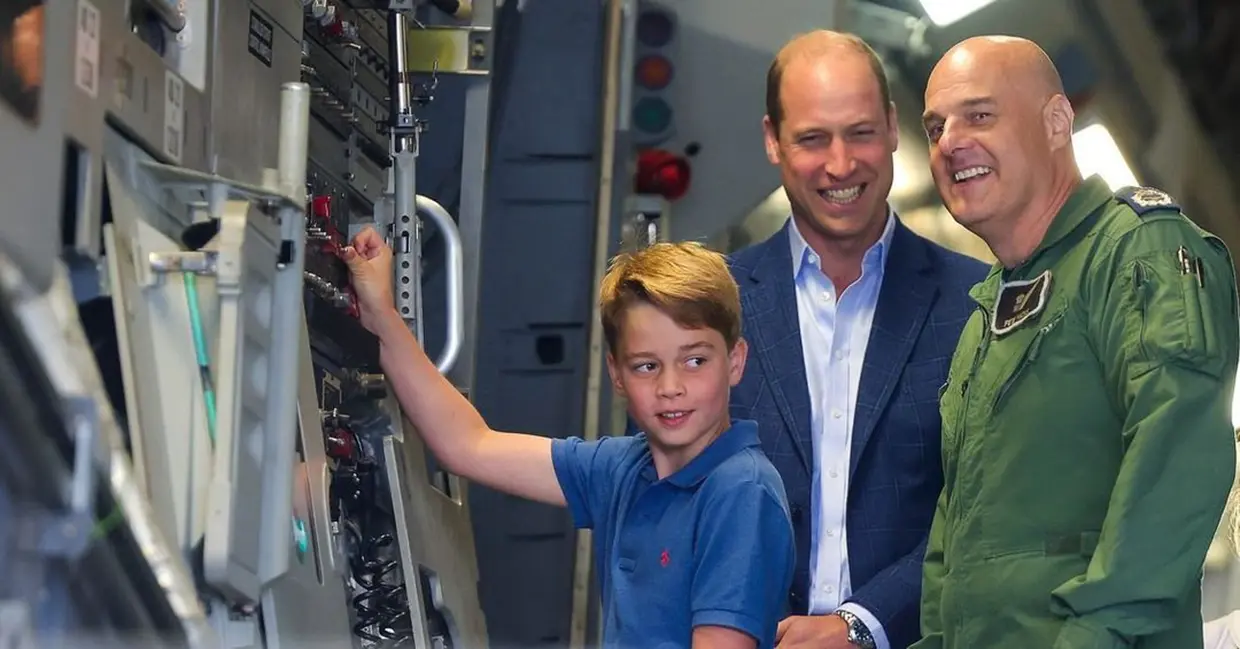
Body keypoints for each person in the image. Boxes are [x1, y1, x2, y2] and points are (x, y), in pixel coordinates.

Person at [914, 35, 1239, 649]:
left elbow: (1177, 457)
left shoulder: (1136, 253)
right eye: (934, 128)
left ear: (1057, 122)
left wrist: (1098, 634)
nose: (951, 142)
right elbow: (954, 540)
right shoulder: (989, 310)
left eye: (979, 115)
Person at [343, 229, 797, 648]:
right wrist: (382, 315)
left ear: (735, 361)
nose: (670, 387)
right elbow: (468, 444)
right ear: (616, 375)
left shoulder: (740, 491)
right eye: (646, 365)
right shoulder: (623, 468)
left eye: (695, 361)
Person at [727, 30, 988, 649]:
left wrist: (862, 625)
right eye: (813, 138)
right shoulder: (713, 305)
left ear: (894, 127)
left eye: (861, 133)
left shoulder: (977, 305)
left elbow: (988, 508)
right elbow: (665, 484)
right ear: (772, 139)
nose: (841, 165)